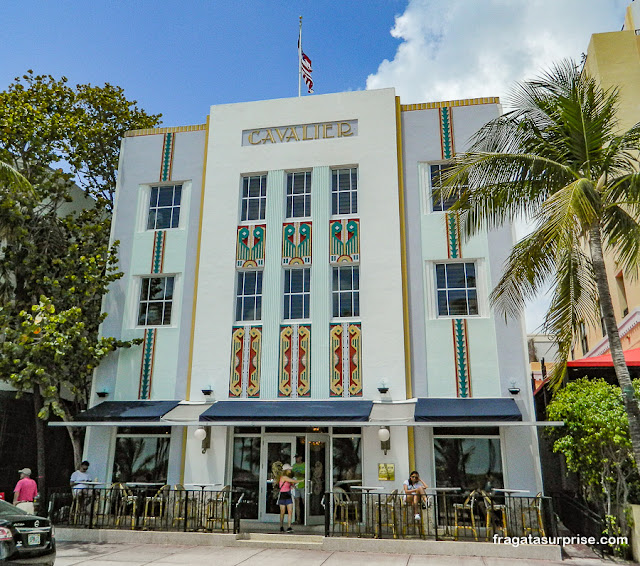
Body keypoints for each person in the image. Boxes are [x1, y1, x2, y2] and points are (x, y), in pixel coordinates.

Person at [278, 464, 300, 533]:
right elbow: (293, 481)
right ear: (286, 470)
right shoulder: (283, 477)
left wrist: (292, 487)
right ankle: (281, 526)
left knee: (290, 511)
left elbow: (291, 484)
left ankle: (289, 526)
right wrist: (302, 480)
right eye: (289, 469)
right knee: (282, 512)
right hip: (283, 495)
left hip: (288, 494)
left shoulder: (288, 478)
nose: (290, 470)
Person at [291, 453, 305, 524]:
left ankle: (306, 518)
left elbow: (308, 474)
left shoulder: (305, 465)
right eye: (296, 458)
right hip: (296, 486)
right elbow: (291, 475)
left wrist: (301, 474)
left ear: (301, 457)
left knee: (304, 501)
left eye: (298, 457)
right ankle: (298, 518)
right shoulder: (294, 466)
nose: (296, 459)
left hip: (303, 485)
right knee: (297, 502)